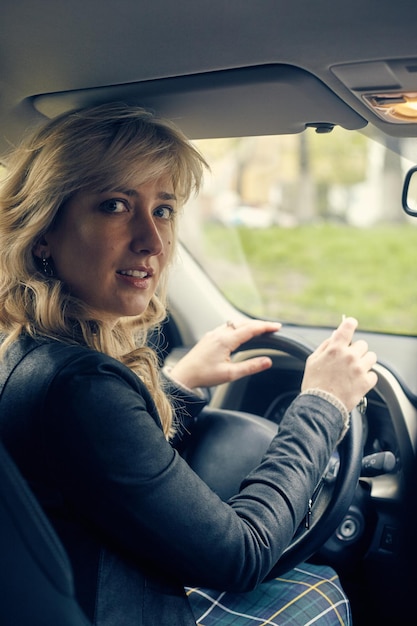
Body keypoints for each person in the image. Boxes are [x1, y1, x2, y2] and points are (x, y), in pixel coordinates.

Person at [0, 102, 377, 626]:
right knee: (321, 588)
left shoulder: (27, 354)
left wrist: (177, 384)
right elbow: (241, 554)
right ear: (43, 230)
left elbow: (97, 468)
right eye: (114, 205)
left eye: (163, 209)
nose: (151, 241)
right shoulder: (79, 385)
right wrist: (322, 405)